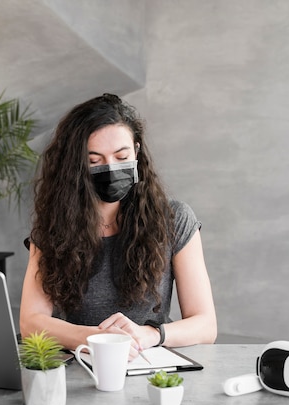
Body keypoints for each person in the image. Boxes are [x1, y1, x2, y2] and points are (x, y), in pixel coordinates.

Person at [19, 93, 216, 360]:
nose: (110, 168)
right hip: (79, 366)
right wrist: (97, 339)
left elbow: (206, 325)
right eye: (94, 161)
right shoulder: (54, 227)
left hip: (149, 365)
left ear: (136, 152)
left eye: (121, 156)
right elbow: (31, 323)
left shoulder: (175, 219)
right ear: (75, 166)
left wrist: (150, 335)